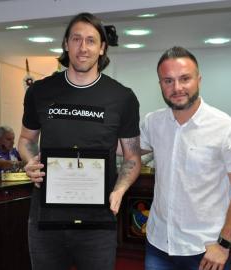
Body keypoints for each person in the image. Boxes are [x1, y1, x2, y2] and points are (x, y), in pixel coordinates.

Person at [17, 12, 141, 270]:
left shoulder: (122, 97)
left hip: (98, 222)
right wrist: (30, 162)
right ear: (66, 44)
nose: (83, 48)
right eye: (76, 39)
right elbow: (26, 140)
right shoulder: (40, 92)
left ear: (102, 48)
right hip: (46, 220)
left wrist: (119, 190)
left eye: (91, 40)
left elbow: (132, 157)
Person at [140, 46, 231, 270]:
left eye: (184, 79)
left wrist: (223, 245)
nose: (177, 88)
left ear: (199, 80)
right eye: (168, 81)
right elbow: (128, 149)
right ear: (160, 85)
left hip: (205, 251)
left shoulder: (228, 129)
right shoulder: (153, 122)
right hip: (158, 245)